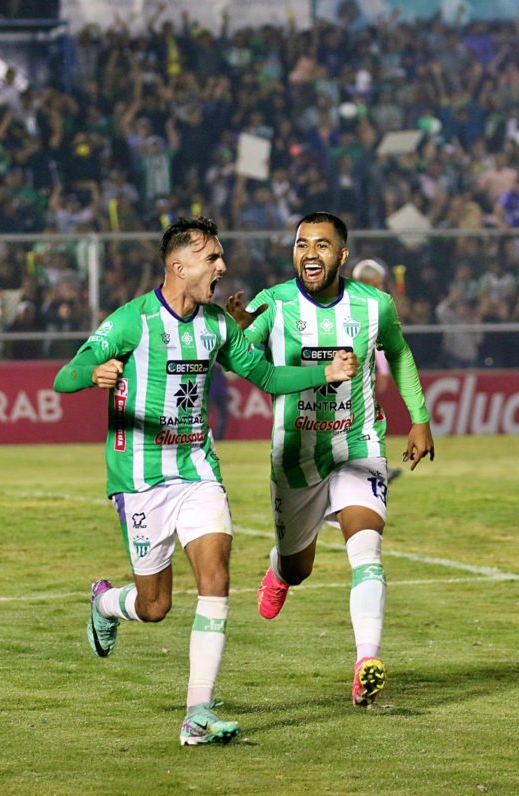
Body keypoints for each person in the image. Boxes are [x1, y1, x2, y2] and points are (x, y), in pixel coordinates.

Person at [53, 216, 358, 745]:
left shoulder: (217, 324)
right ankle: (106, 602)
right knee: (155, 607)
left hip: (198, 470)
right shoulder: (133, 321)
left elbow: (265, 376)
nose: (222, 266)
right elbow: (65, 375)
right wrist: (95, 373)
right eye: (211, 258)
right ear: (179, 266)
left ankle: (198, 713)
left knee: (215, 577)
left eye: (220, 257)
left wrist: (324, 373)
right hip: (141, 478)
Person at [225, 211, 435, 708]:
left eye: (322, 245)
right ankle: (280, 571)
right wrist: (236, 333)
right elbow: (242, 361)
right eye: (302, 244)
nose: (310, 253)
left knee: (367, 551)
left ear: (341, 255)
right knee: (299, 567)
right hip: (296, 456)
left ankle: (367, 661)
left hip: (357, 445)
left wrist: (419, 417)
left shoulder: (374, 305)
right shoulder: (272, 304)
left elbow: (399, 353)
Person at [351, 258, 403, 483]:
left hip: (351, 373)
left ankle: (372, 470)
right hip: (353, 374)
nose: (381, 288)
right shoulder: (365, 307)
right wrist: (382, 370)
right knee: (365, 424)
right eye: (378, 283)